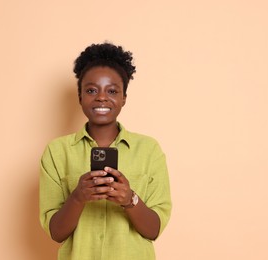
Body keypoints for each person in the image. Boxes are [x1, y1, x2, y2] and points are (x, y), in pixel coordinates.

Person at [39, 42, 172, 260]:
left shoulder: (149, 150)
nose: (101, 97)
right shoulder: (56, 152)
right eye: (91, 90)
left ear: (124, 98)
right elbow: (56, 233)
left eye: (112, 91)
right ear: (80, 96)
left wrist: (130, 199)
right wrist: (77, 197)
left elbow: (153, 230)